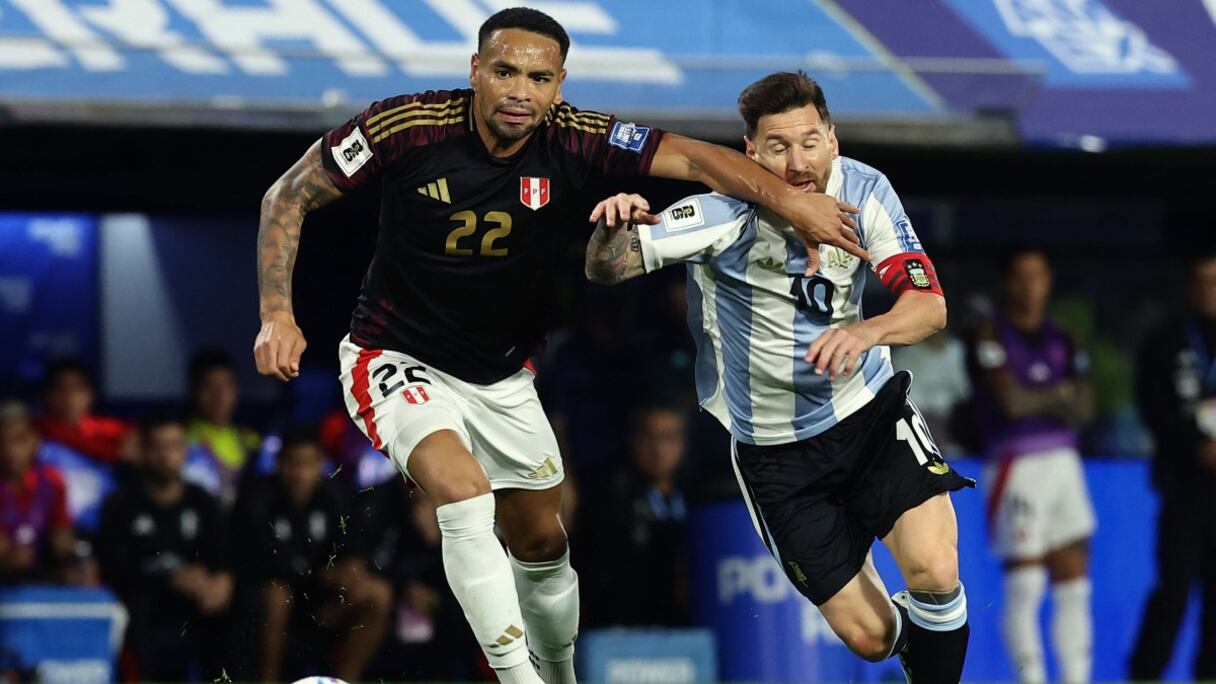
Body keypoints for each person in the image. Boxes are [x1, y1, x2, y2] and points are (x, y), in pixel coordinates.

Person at [250, 8, 862, 684]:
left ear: (559, 85)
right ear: (475, 70)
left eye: (538, 78)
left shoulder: (576, 136)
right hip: (393, 356)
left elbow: (696, 158)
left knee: (542, 542)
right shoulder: (406, 126)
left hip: (503, 376)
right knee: (463, 495)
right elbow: (287, 196)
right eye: (504, 71)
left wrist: (792, 202)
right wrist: (277, 314)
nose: (520, 91)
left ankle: (561, 675)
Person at [584, 71, 972, 682]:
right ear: (751, 152)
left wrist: (866, 333)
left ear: (832, 140)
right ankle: (912, 641)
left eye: (810, 142)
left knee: (935, 567)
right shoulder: (722, 213)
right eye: (779, 146)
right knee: (870, 639)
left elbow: (930, 307)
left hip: (868, 412)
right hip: (775, 453)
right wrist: (611, 229)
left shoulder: (864, 191)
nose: (798, 162)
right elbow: (608, 268)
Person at [966, 249, 1095, 683]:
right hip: (1014, 465)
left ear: (1049, 280)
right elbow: (1010, 403)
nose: (1030, 286)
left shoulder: (1064, 336)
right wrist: (1059, 394)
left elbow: (1086, 407)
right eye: (1021, 276)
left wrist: (1038, 396)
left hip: (1065, 464)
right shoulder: (989, 335)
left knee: (1074, 584)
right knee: (1026, 585)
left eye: (1038, 276)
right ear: (1007, 282)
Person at [230, 427, 391, 683]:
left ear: (320, 464)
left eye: (307, 463)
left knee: (377, 594)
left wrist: (348, 571)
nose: (299, 473)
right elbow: (254, 560)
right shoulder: (257, 496)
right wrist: (315, 573)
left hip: (321, 600)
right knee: (277, 595)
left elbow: (354, 552)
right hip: (271, 601)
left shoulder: (336, 495)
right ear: (279, 463)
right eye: (292, 463)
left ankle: (345, 680)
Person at [1130, 249, 1216, 679]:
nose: (1208, 290)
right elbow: (1152, 407)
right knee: (1175, 589)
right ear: (1187, 286)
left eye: (1215, 282)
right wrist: (1194, 444)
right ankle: (1145, 673)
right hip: (1183, 486)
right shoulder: (1165, 341)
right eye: (1200, 281)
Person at [95, 414, 233, 681]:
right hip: (146, 602)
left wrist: (222, 581)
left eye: (174, 446)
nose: (167, 455)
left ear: (185, 450)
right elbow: (114, 568)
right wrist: (171, 578)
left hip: (197, 600)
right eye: (158, 446)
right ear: (144, 452)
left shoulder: (202, 501)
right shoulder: (121, 504)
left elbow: (222, 556)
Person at [581, 405, 691, 628]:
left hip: (688, 624)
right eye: (650, 437)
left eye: (668, 438)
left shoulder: (699, 496)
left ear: (683, 445)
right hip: (621, 626)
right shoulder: (607, 496)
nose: (658, 449)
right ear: (634, 440)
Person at [0, 401, 76, 584]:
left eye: (19, 440)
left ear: (35, 441)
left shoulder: (52, 481)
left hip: (39, 579)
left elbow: (61, 538)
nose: (10, 450)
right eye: (2, 442)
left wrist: (72, 559)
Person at [185, 349, 260, 504]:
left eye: (226, 386)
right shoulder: (182, 441)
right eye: (209, 387)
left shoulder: (251, 442)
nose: (219, 396)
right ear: (193, 390)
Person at [33, 358, 134, 464]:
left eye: (78, 389)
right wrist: (115, 452)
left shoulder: (108, 429)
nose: (70, 398)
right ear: (46, 396)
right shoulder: (35, 430)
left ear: (91, 395)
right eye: (60, 389)